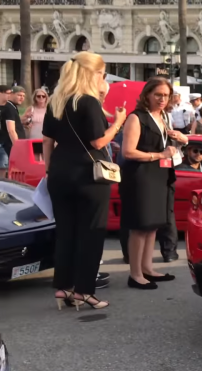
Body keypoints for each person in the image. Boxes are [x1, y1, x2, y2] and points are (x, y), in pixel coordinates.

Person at [42, 51, 125, 309]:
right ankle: (85, 291)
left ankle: (63, 287)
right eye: (101, 73)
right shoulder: (87, 102)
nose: (103, 77)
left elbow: (47, 140)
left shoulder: (56, 100)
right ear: (91, 74)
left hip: (59, 172)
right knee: (91, 232)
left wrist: (49, 169)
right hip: (89, 175)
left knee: (65, 231)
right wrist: (118, 122)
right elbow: (99, 141)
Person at [120, 77, 188, 290]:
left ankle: (147, 268)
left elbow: (167, 145)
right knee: (140, 226)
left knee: (152, 226)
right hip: (141, 176)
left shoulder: (165, 116)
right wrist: (159, 154)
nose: (162, 99)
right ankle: (135, 274)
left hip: (160, 175)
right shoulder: (136, 117)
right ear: (147, 95)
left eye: (166, 95)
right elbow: (128, 152)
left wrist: (181, 139)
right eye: (157, 94)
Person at [0, 85, 12, 178]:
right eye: (7, 93)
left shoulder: (9, 107)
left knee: (3, 166)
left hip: (3, 141)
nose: (9, 95)